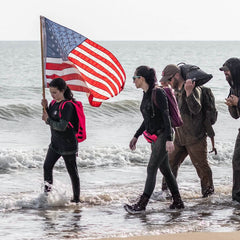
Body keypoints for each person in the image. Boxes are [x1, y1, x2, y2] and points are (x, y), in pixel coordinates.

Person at [124, 65, 184, 214]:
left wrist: (169, 139)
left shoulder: (158, 92)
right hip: (156, 136)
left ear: (142, 78)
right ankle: (178, 202)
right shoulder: (146, 94)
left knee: (151, 168)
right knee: (165, 169)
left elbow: (166, 115)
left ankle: (142, 205)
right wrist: (136, 135)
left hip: (164, 134)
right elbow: (147, 119)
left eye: (134, 78)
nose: (133, 81)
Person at [160, 64, 214, 198]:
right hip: (179, 137)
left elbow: (196, 109)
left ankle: (208, 196)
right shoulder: (175, 90)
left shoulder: (193, 88)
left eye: (170, 79)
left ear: (177, 76)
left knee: (202, 168)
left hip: (195, 138)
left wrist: (189, 93)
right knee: (170, 165)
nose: (168, 82)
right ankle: (165, 194)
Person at [41, 78, 80, 203]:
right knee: (47, 167)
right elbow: (51, 120)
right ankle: (47, 196)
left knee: (72, 173)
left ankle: (76, 199)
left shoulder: (68, 105)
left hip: (68, 145)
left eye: (55, 92)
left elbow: (62, 126)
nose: (52, 95)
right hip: (55, 144)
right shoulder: (53, 103)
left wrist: (48, 120)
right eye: (51, 92)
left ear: (62, 90)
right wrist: (45, 108)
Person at [220, 57, 240, 203]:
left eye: (227, 71)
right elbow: (235, 116)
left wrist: (238, 102)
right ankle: (237, 198)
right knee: (236, 162)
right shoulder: (233, 87)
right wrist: (231, 106)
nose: (225, 73)